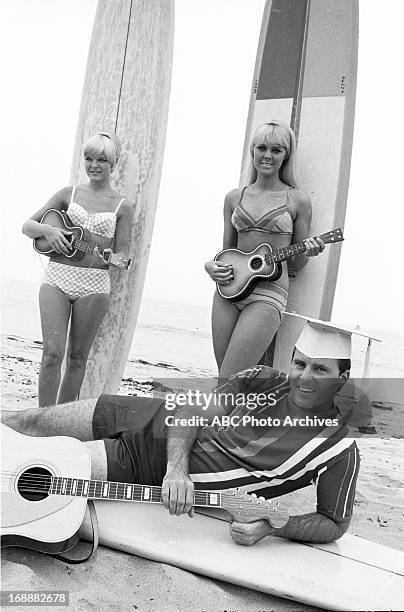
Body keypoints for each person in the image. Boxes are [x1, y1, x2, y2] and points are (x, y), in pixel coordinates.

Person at [2, 319, 366, 546]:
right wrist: (178, 470)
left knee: (45, 468)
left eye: (319, 369)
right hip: (151, 417)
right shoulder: (263, 380)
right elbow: (190, 408)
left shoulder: (338, 448)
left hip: (143, 463)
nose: (303, 376)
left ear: (342, 379)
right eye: (299, 363)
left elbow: (334, 523)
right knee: (28, 423)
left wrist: (272, 527)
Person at [204, 120, 326, 382]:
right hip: (227, 292)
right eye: (262, 147)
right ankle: (234, 423)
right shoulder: (234, 197)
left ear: (286, 155)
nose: (268, 155)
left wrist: (309, 251)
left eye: (277, 149)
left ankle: (215, 424)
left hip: (267, 296)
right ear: (253, 151)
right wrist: (211, 267)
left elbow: (295, 265)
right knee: (225, 380)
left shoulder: (297, 200)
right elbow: (229, 253)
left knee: (230, 379)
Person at [22, 132, 132, 407]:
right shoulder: (66, 194)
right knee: (51, 353)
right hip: (57, 277)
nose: (94, 165)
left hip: (94, 285)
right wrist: (49, 229)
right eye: (89, 158)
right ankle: (43, 416)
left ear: (113, 163)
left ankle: (62, 417)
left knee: (77, 358)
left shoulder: (122, 206)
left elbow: (123, 256)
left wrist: (113, 257)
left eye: (102, 160)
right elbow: (28, 226)